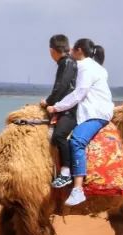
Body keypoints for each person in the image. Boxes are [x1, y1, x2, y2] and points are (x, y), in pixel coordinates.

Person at [46, 39, 112, 207]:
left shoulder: (86, 67)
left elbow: (79, 93)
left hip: (95, 114)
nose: (70, 53)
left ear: (79, 50)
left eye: (73, 50)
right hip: (93, 111)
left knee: (76, 141)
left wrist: (56, 107)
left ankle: (77, 189)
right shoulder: (95, 67)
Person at [41, 34, 79, 188]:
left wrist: (49, 101)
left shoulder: (67, 63)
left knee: (59, 135)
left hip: (71, 109)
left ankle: (65, 172)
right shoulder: (68, 62)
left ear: (52, 51)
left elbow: (62, 87)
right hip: (66, 105)